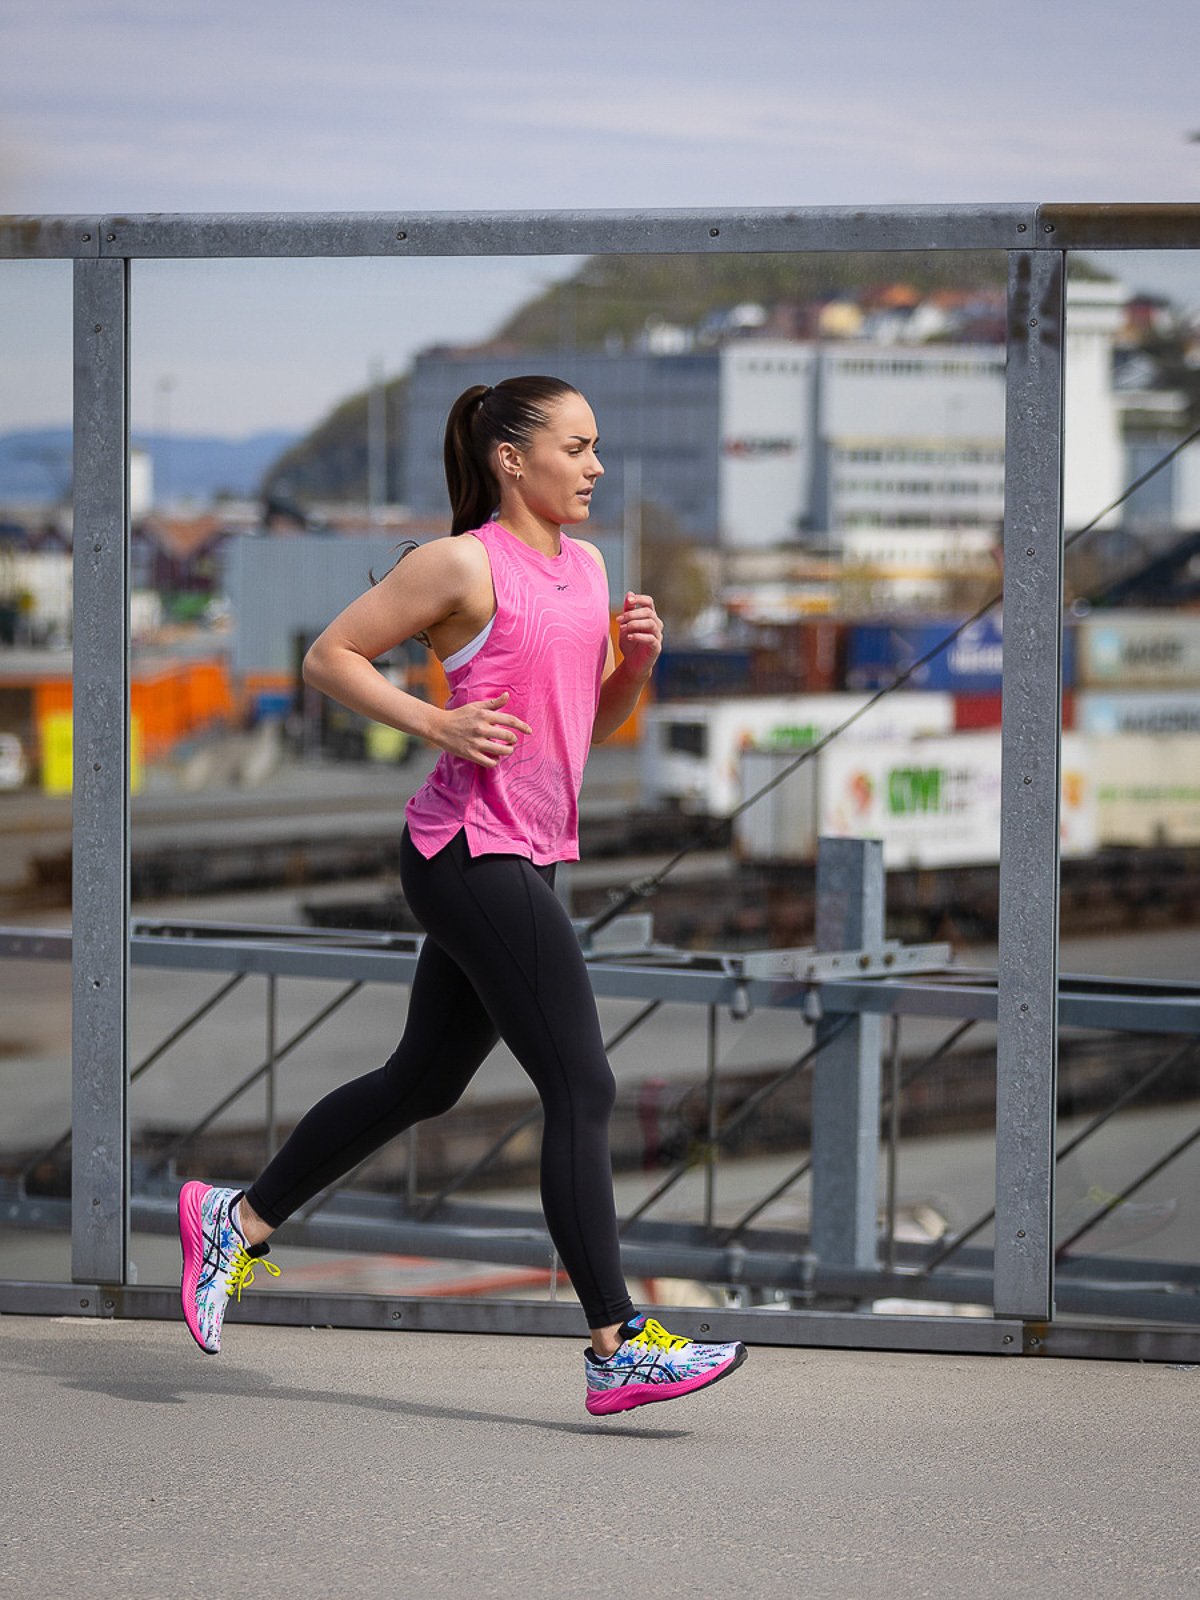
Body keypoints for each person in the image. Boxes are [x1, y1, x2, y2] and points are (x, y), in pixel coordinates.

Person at [178, 375, 747, 1416]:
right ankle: (615, 1343)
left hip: (527, 854)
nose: (596, 467)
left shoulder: (586, 567)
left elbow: (592, 725)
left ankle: (239, 1220)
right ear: (510, 458)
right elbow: (327, 656)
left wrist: (640, 671)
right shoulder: (459, 564)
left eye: (596, 446)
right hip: (465, 850)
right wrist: (436, 724)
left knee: (421, 1082)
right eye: (577, 447)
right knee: (583, 1087)